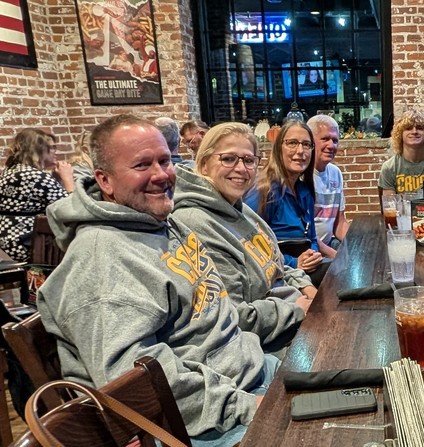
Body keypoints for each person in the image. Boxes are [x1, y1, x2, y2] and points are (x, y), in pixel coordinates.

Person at [36, 114, 272, 445]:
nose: (161, 175)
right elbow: (137, 384)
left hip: (251, 369)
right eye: (142, 165)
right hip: (204, 422)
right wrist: (244, 406)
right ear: (105, 181)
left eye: (165, 160)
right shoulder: (101, 261)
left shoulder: (159, 220)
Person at [172, 122, 315, 354]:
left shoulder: (240, 208)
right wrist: (297, 310)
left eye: (249, 160)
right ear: (204, 164)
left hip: (294, 317)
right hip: (269, 344)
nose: (241, 168)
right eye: (228, 159)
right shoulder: (195, 223)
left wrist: (307, 288)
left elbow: (277, 265)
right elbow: (234, 315)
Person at [244, 121, 328, 286]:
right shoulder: (263, 191)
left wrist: (313, 255)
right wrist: (293, 263)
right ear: (278, 148)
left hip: (305, 270)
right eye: (292, 143)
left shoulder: (305, 191)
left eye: (306, 144)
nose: (300, 151)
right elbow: (248, 246)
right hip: (276, 276)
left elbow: (311, 238)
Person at [0, 129, 73, 262]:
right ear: (38, 149)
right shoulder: (35, 176)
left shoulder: (13, 171)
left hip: (8, 242)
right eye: (51, 147)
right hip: (28, 244)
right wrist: (68, 179)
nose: (55, 151)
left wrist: (57, 180)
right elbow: (72, 210)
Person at [378, 109, 424, 194]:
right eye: (408, 128)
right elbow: (390, 205)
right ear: (400, 135)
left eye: (419, 128)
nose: (414, 131)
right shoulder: (389, 168)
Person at [308, 115, 349, 258]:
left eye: (335, 140)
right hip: (309, 250)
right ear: (310, 142)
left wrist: (356, 243)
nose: (331, 145)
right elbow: (305, 235)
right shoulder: (301, 176)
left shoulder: (335, 172)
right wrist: (337, 256)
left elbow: (340, 223)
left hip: (328, 243)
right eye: (325, 139)